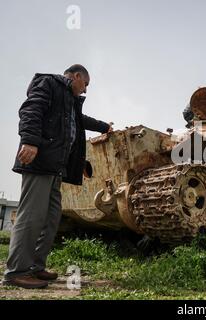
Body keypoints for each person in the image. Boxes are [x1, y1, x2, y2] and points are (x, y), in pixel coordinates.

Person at [2, 64, 112, 289]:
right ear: (77, 76)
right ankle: (16, 271)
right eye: (86, 85)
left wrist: (104, 127)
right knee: (31, 216)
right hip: (39, 162)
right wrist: (30, 141)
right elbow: (31, 110)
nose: (85, 90)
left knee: (51, 219)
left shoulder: (69, 102)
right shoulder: (49, 83)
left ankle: (34, 267)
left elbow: (81, 121)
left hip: (55, 168)